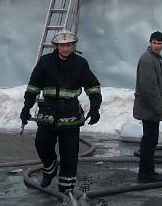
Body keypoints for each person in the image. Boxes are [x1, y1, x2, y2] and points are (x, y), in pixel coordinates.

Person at [20, 30, 102, 195]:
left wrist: (95, 107)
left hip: (70, 114)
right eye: (63, 46)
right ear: (56, 46)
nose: (66, 49)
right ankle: (49, 169)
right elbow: (33, 86)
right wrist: (26, 107)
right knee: (42, 143)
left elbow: (92, 86)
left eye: (69, 45)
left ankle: (66, 189)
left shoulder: (80, 63)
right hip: (48, 112)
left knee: (69, 154)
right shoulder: (45, 62)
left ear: (73, 46)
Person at [133, 30, 162, 182]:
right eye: (154, 43)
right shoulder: (148, 59)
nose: (156, 46)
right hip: (149, 109)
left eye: (159, 43)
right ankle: (146, 173)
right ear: (150, 42)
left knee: (150, 139)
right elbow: (150, 88)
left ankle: (147, 171)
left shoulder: (154, 58)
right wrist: (158, 108)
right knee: (149, 140)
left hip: (151, 108)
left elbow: (160, 84)